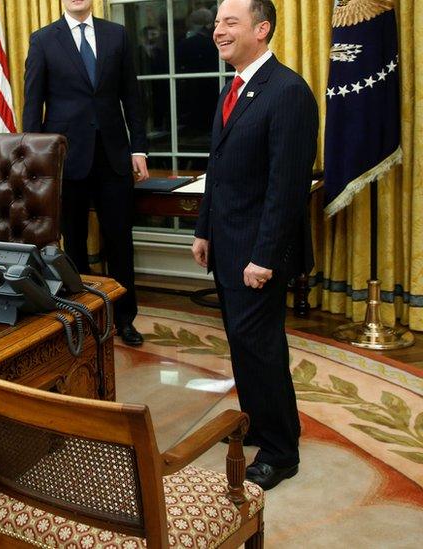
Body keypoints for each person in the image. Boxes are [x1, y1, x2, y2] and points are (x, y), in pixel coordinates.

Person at [191, 0, 318, 490]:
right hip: (227, 244)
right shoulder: (236, 87)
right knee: (244, 346)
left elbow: (286, 188)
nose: (217, 30)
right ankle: (260, 424)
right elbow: (218, 171)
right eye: (218, 22)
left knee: (262, 349)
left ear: (262, 29)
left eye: (230, 22)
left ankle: (282, 451)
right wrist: (204, 229)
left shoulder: (286, 92)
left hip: (257, 253)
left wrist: (263, 257)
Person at [22, 0, 149, 346]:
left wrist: (139, 148)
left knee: (120, 241)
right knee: (72, 245)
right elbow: (33, 105)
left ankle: (125, 319)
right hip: (65, 160)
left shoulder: (117, 36)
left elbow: (132, 97)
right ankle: (84, 317)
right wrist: (34, 163)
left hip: (113, 157)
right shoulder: (43, 40)